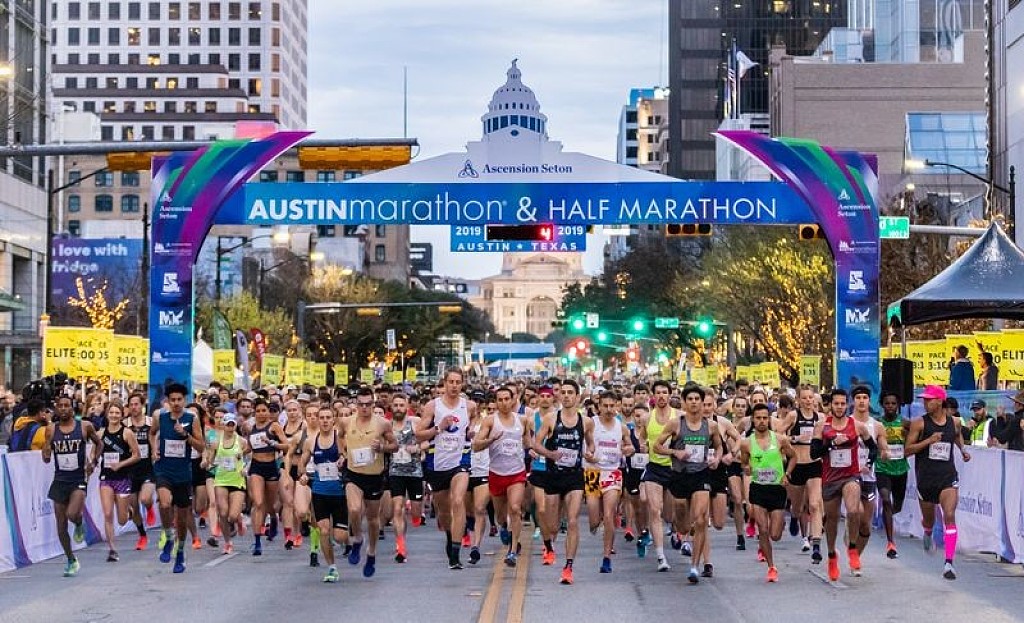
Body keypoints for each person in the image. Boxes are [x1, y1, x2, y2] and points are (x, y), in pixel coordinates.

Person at [654, 384, 722, 584]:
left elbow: (719, 447)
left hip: (701, 474)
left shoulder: (711, 426)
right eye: (690, 399)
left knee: (701, 519)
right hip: (679, 475)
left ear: (702, 402)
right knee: (683, 521)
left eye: (697, 399)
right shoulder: (676, 424)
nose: (694, 402)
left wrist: (717, 458)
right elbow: (656, 446)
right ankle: (682, 530)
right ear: (684, 402)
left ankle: (694, 566)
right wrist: (675, 452)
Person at [532, 379, 595, 585]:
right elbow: (536, 443)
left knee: (574, 520)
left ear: (577, 397)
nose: (566, 396)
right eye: (564, 392)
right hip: (553, 476)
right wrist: (550, 454)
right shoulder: (551, 419)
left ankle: (568, 567)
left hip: (574, 476)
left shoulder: (586, 422)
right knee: (551, 525)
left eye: (571, 392)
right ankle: (549, 545)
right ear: (559, 396)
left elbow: (591, 444)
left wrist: (590, 453)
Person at [905, 384, 971, 580]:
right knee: (929, 520)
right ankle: (927, 532)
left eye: (929, 400)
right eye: (924, 400)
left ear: (940, 401)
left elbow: (957, 435)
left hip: (947, 477)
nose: (925, 403)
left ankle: (949, 563)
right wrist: (928, 441)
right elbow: (907, 450)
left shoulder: (955, 422)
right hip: (926, 479)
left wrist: (962, 450)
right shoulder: (920, 424)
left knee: (949, 514)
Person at [811, 388, 877, 581]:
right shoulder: (822, 426)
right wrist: (831, 444)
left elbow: (872, 448)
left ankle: (853, 548)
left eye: (842, 404)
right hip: (830, 478)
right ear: (830, 405)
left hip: (850, 475)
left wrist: (869, 463)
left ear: (847, 404)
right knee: (831, 520)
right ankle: (832, 555)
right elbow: (814, 453)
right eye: (836, 404)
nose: (839, 407)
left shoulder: (856, 425)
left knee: (854, 510)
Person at [416, 369, 478, 570]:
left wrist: (471, 432)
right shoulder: (433, 406)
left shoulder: (469, 406)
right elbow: (418, 436)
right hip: (437, 463)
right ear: (444, 383)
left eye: (458, 382)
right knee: (443, 511)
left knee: (458, 500)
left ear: (462, 384)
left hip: (460, 461)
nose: (454, 385)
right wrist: (438, 428)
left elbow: (473, 423)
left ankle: (456, 551)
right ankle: (451, 536)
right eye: (450, 381)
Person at [42, 395, 103, 577]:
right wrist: (46, 450)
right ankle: (71, 559)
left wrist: (93, 461)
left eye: (66, 406)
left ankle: (78, 522)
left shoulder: (84, 426)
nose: (63, 409)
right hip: (60, 479)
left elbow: (99, 444)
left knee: (71, 514)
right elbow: (46, 458)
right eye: (59, 406)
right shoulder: (51, 429)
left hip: (78, 478)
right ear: (55, 409)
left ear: (72, 408)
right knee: (60, 526)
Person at [473, 385, 532, 568]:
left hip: (517, 473)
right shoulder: (490, 421)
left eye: (507, 399)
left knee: (515, 508)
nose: (504, 403)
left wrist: (536, 453)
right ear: (496, 401)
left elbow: (528, 443)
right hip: (496, 474)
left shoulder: (522, 420)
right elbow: (476, 445)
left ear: (513, 400)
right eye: (500, 400)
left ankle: (513, 551)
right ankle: (505, 529)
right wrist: (490, 440)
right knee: (500, 517)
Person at [341, 386, 397, 578]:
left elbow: (395, 446)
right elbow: (339, 437)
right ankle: (357, 538)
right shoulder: (346, 422)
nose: (364, 408)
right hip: (353, 473)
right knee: (354, 509)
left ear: (373, 405)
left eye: (368, 405)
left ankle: (371, 552)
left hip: (374, 476)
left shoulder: (382, 424)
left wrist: (382, 447)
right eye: (361, 404)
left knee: (373, 519)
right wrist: (343, 454)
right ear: (356, 404)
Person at [151, 383, 206, 573]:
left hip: (183, 472)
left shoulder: (192, 419)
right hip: (163, 469)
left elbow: (201, 446)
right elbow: (152, 434)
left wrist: (186, 436)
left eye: (179, 400)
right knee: (165, 504)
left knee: (182, 518)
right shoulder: (160, 417)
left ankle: (180, 552)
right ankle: (167, 536)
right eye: (172, 400)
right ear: (167, 401)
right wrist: (154, 450)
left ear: (185, 400)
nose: (176, 403)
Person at [738, 403, 796, 583]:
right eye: (758, 418)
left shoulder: (780, 439)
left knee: (775, 535)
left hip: (777, 489)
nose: (762, 421)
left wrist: (787, 474)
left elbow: (793, 457)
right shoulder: (746, 443)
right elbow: (744, 463)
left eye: (765, 418)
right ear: (753, 420)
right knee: (762, 530)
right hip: (758, 489)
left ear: (769, 419)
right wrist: (746, 468)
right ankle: (771, 567)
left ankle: (780, 525)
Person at [298, 407, 350, 584]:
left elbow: (349, 456)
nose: (325, 421)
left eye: (328, 417)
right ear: (317, 420)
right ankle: (332, 568)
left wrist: (344, 459)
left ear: (333, 419)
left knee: (339, 536)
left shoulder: (340, 439)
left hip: (340, 492)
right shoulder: (311, 442)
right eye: (322, 418)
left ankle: (351, 540)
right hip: (319, 491)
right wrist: (303, 475)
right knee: (324, 529)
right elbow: (301, 464)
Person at [584, 390, 633, 573]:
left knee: (609, 514)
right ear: (598, 407)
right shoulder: (590, 423)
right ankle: (594, 524)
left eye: (612, 406)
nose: (609, 409)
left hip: (613, 473)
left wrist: (629, 450)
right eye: (605, 405)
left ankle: (606, 557)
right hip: (592, 473)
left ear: (617, 406)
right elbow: (579, 444)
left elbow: (630, 446)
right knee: (594, 518)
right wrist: (587, 455)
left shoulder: (621, 427)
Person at [775, 384, 824, 561]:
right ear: (798, 400)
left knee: (814, 504)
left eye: (810, 397)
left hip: (814, 464)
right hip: (797, 465)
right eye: (804, 398)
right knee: (797, 507)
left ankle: (816, 544)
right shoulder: (794, 416)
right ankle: (794, 517)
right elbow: (777, 435)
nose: (808, 401)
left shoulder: (821, 418)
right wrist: (795, 438)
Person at [635, 380, 678, 572]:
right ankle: (661, 556)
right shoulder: (647, 418)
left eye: (664, 392)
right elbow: (642, 437)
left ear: (670, 395)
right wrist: (643, 445)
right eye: (658, 393)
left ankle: (679, 534)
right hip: (654, 468)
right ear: (653, 396)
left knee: (671, 514)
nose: (661, 396)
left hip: (675, 469)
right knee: (654, 510)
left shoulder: (679, 417)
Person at [98, 401, 141, 562]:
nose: (114, 415)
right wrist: (91, 461)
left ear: (122, 415)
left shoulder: (127, 433)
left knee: (122, 519)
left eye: (117, 413)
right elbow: (95, 451)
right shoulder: (101, 433)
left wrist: (120, 464)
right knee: (108, 513)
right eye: (111, 412)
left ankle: (129, 511)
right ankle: (112, 549)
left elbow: (137, 455)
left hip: (122, 478)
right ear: (107, 414)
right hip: (106, 478)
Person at [246, 398, 288, 556]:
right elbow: (249, 447)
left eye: (264, 410)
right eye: (258, 411)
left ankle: (273, 517)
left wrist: (272, 443)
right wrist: (239, 453)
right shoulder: (252, 428)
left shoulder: (274, 426)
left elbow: (286, 445)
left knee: (270, 504)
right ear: (254, 412)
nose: (261, 414)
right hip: (256, 466)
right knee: (258, 502)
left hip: (271, 466)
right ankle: (257, 542)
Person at [204, 412, 249, 555]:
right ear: (223, 425)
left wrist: (246, 468)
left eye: (232, 425)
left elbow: (249, 457)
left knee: (232, 516)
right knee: (222, 512)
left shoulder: (241, 441)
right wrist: (207, 461)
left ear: (235, 425)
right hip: (221, 479)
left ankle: (239, 519)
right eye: (228, 424)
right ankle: (228, 542)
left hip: (237, 480)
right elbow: (210, 460)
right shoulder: (216, 441)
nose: (230, 427)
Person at [389, 392, 424, 563]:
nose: (398, 408)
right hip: (395, 472)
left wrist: (417, 448)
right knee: (397, 509)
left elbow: (427, 441)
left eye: (401, 405)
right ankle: (400, 546)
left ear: (407, 406)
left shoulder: (415, 423)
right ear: (391, 406)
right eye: (395, 405)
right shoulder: (387, 426)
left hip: (414, 472)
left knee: (416, 513)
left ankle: (415, 512)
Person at [875, 391, 910, 559]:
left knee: (897, 506)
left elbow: (916, 437)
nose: (890, 406)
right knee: (886, 500)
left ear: (898, 406)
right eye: (887, 403)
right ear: (882, 405)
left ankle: (886, 514)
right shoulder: (877, 424)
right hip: (882, 468)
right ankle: (890, 543)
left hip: (901, 469)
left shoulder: (905, 423)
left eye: (893, 403)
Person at [126, 393, 156, 550]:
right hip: (130, 470)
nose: (134, 407)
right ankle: (142, 535)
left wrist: (156, 452)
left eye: (136, 404)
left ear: (142, 405)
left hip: (148, 468)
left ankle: (150, 507)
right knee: (134, 506)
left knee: (145, 498)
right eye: (131, 404)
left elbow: (158, 438)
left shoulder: (151, 422)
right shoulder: (125, 424)